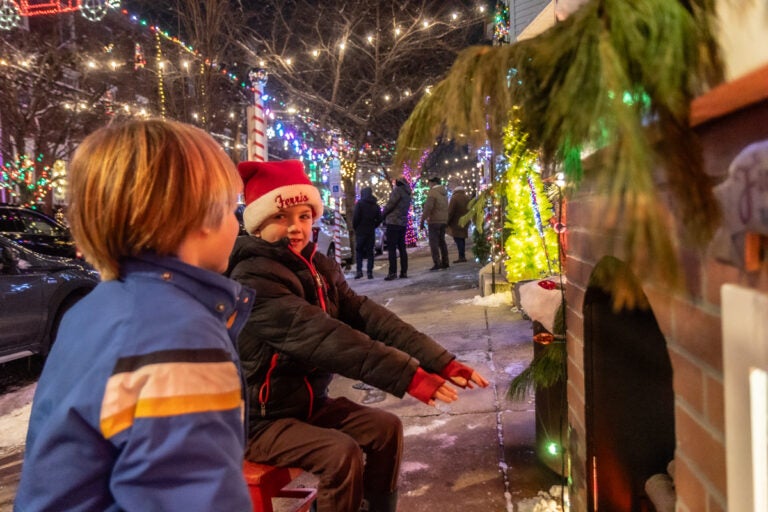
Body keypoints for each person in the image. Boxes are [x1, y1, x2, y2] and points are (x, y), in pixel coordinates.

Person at [15, 119, 254, 511]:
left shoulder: (98, 309)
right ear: (196, 215)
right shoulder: (178, 337)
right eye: (231, 207)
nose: (236, 222)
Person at [226, 159, 489, 512]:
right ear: (257, 225)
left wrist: (440, 361)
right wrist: (408, 375)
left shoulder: (317, 267)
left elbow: (368, 316)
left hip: (305, 407)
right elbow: (324, 337)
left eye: (304, 217)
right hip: (257, 421)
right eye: (281, 218)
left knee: (385, 429)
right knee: (340, 454)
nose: (296, 228)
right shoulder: (252, 278)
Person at [381, 176, 412, 281]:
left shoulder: (397, 191)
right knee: (402, 248)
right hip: (402, 222)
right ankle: (404, 271)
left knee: (392, 248)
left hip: (393, 222)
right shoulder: (407, 193)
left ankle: (392, 272)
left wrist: (383, 214)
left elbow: (391, 204)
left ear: (398, 183)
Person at [421, 176, 450, 271]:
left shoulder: (432, 193)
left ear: (433, 183)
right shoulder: (444, 193)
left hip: (434, 221)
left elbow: (428, 208)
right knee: (442, 241)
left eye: (429, 183)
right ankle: (445, 262)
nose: (429, 185)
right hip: (443, 220)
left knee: (434, 242)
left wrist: (422, 220)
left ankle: (437, 262)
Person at [352, 186, 381, 279]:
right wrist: (374, 225)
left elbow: (355, 218)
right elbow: (380, 218)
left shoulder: (360, 204)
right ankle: (369, 272)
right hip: (370, 231)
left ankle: (359, 271)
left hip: (361, 231)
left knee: (359, 251)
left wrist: (356, 227)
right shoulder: (375, 205)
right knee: (370, 252)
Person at [447, 182, 471, 263]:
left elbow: (450, 211)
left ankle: (461, 257)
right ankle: (462, 255)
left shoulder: (454, 198)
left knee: (458, 239)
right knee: (462, 238)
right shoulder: (466, 197)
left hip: (456, 221)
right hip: (465, 220)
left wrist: (447, 221)